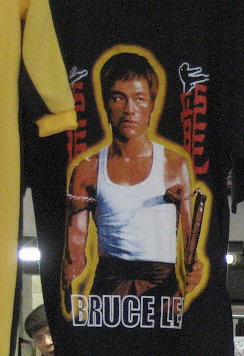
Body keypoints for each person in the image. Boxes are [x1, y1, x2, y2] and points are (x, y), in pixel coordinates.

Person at [62, 51, 202, 304]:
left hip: (162, 287)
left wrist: (192, 274)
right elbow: (75, 255)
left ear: (151, 104)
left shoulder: (174, 164)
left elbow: (191, 248)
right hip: (109, 284)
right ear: (106, 103)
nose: (129, 110)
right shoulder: (87, 169)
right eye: (119, 98)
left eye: (139, 99)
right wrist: (67, 285)